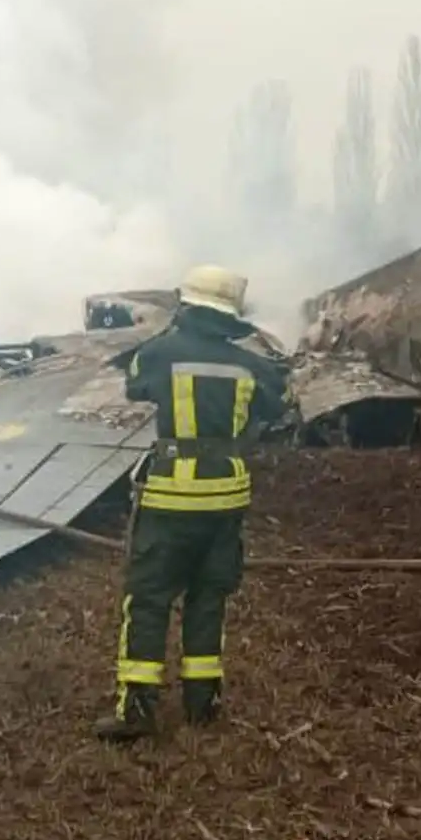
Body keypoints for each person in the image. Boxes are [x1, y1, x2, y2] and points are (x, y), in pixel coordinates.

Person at [95, 265, 291, 742]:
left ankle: (137, 709)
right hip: (226, 500)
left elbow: (134, 384)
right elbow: (277, 404)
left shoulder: (160, 353)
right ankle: (202, 705)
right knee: (209, 599)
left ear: (188, 306)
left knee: (148, 599)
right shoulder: (256, 367)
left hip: (170, 498)